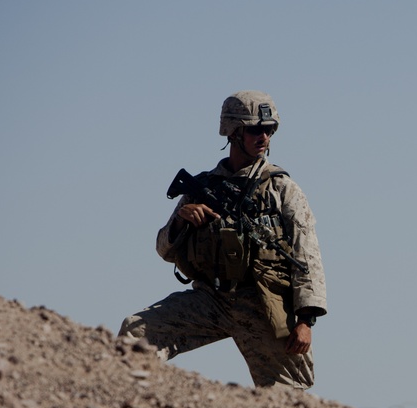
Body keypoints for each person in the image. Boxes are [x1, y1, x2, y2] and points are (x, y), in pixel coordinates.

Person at [119, 90, 327, 389]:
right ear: (233, 131)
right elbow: (164, 249)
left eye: (269, 130)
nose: (264, 137)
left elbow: (307, 255)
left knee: (288, 396)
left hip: (262, 303)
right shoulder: (203, 186)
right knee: (135, 333)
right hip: (211, 298)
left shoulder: (282, 188)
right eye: (255, 129)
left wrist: (306, 320)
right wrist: (182, 219)